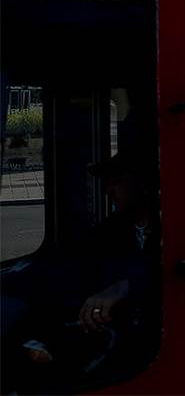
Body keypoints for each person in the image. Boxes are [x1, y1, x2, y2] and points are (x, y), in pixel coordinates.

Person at [1, 152, 159, 392]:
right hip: (95, 320)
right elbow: (76, 264)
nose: (109, 190)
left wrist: (122, 288)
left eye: (116, 181)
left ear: (141, 183)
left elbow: (164, 272)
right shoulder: (113, 228)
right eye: (106, 183)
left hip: (143, 334)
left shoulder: (170, 227)